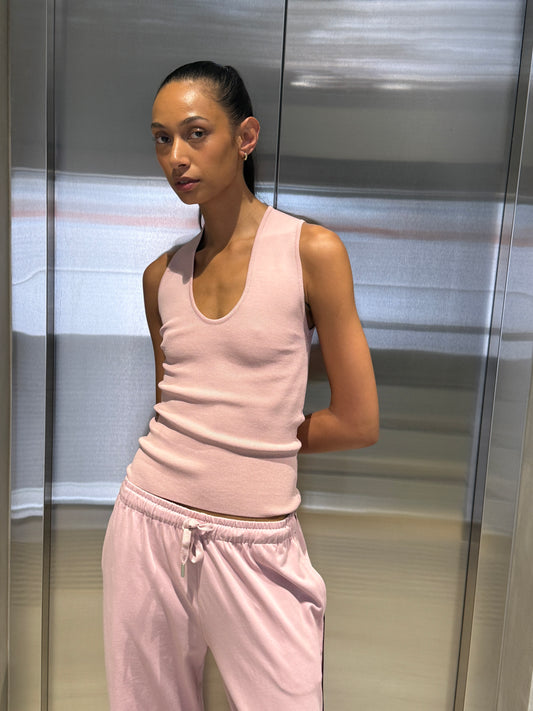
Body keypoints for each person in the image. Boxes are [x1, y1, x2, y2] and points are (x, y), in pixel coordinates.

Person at [102, 60, 379, 711]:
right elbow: (175, 405)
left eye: (195, 133)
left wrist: (259, 438)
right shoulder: (161, 277)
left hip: (258, 543)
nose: (176, 157)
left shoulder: (311, 252)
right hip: (146, 524)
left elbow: (357, 420)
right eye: (162, 139)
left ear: (245, 136)